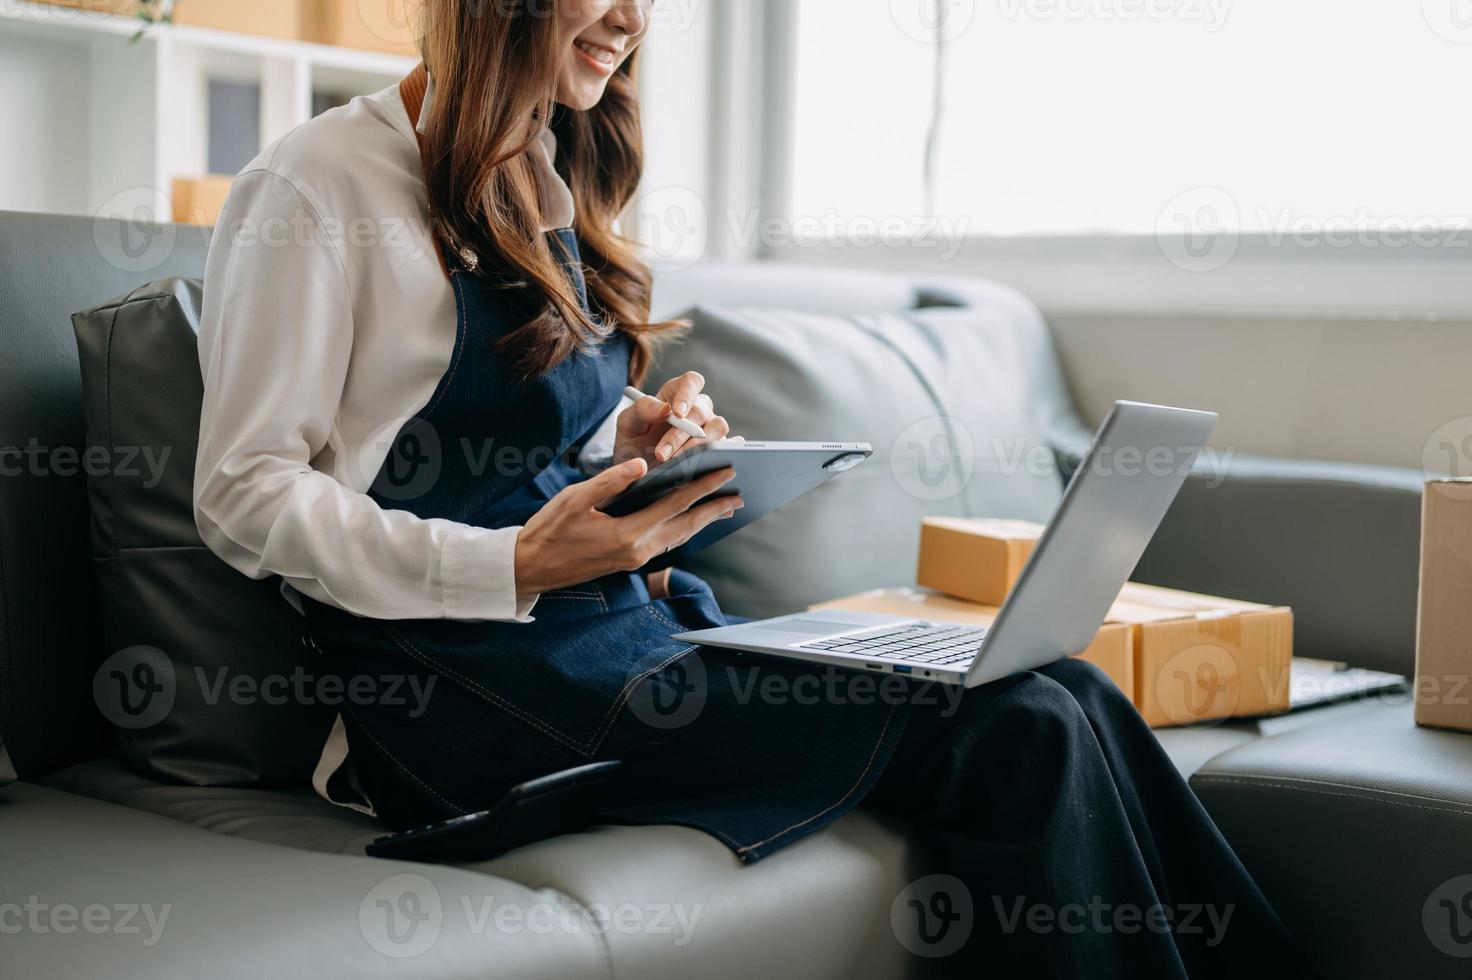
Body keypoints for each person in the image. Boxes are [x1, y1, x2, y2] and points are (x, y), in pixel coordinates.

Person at [193, 2, 1316, 975]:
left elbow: (501, 446)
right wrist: (510, 564)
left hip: (619, 636)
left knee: (1057, 681)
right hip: (456, 692)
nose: (634, 20)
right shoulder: (313, 183)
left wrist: (630, 443)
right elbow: (241, 491)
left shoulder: (538, 165)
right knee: (1013, 723)